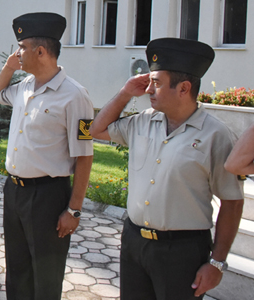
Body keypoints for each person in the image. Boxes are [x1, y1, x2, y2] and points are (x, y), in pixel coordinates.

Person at [89, 38, 244, 299]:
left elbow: (231, 201)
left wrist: (217, 263)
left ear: (184, 88)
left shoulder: (216, 135)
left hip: (182, 252)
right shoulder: (143, 122)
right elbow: (97, 130)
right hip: (134, 242)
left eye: (156, 83)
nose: (149, 89)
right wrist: (126, 92)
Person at [0, 12, 94, 299]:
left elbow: (84, 156)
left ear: (41, 51)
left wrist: (73, 210)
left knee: (45, 276)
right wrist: (9, 69)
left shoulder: (74, 95)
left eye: (22, 48)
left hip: (47, 195)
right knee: (17, 269)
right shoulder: (24, 87)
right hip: (15, 191)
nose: (17, 53)